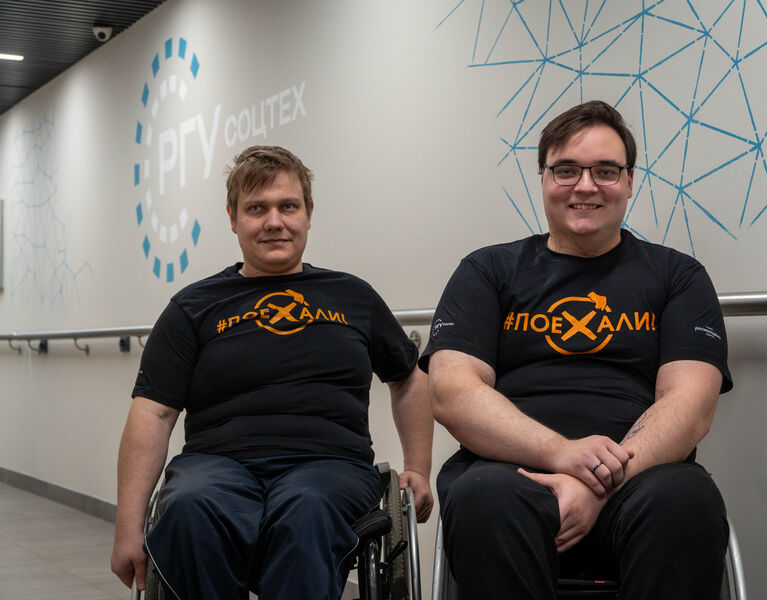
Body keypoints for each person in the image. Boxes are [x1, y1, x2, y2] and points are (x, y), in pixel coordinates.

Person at [420, 100, 733, 599]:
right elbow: (453, 393)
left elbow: (690, 406)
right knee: (482, 496)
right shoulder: (486, 271)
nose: (585, 186)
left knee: (687, 502)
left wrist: (596, 485)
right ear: (543, 178)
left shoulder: (679, 276)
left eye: (605, 171)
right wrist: (563, 454)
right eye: (566, 170)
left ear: (629, 181)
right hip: (509, 476)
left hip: (640, 480)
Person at [110, 145, 434, 600]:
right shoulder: (193, 308)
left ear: (308, 213)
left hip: (329, 467)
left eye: (288, 207)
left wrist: (418, 467)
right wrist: (128, 527)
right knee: (190, 506)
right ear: (233, 217)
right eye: (257, 209)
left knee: (307, 510)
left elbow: (409, 378)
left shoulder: (352, 297)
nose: (274, 222)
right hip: (216, 465)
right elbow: (153, 412)